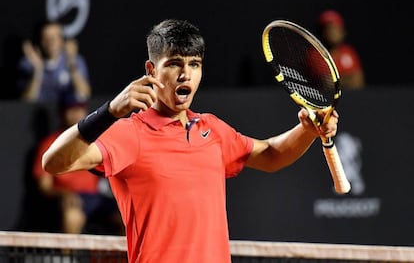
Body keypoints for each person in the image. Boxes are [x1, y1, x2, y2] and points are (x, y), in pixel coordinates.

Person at [42, 19, 339, 262]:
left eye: (194, 64)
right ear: (151, 71)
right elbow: (53, 162)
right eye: (174, 64)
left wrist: (308, 131)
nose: (185, 74)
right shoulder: (129, 133)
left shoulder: (212, 129)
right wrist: (107, 113)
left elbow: (272, 155)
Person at [32, 96, 122, 235]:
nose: (76, 113)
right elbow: (45, 186)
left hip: (96, 198)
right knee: (73, 217)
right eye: (72, 109)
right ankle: (69, 257)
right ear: (62, 112)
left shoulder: (96, 140)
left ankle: (127, 257)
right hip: (71, 199)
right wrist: (65, 194)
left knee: (124, 216)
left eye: (80, 109)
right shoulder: (50, 143)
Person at [17, 20, 91, 103]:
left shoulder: (75, 60)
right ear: (39, 40)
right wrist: (38, 70)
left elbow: (85, 95)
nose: (51, 42)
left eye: (55, 37)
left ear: (63, 40)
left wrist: (71, 63)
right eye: (46, 37)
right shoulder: (28, 63)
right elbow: (27, 101)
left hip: (66, 113)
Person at [318, 10, 365, 90]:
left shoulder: (349, 52)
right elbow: (327, 83)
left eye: (335, 28)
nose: (331, 32)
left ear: (342, 31)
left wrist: (338, 81)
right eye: (328, 29)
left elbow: (358, 81)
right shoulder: (316, 54)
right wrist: (348, 78)